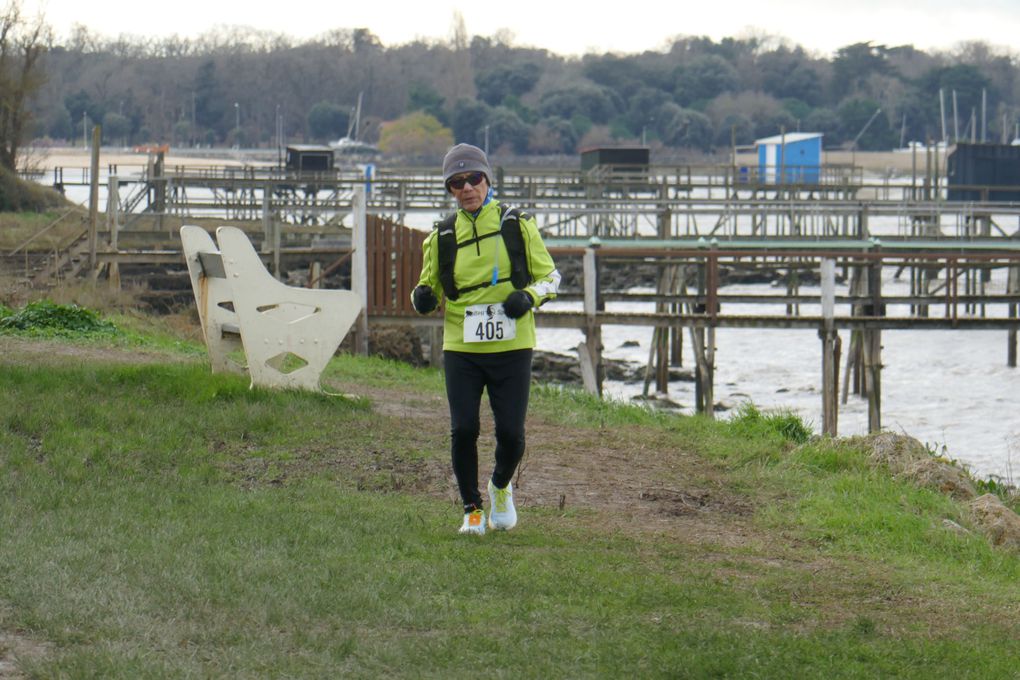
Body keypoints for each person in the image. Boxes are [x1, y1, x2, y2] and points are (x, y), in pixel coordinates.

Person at [411, 143, 561, 535]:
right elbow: (428, 290)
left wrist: (526, 297)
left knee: (511, 434)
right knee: (463, 429)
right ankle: (472, 510)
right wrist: (422, 299)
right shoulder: (440, 236)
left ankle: (499, 486)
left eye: (474, 178)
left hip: (512, 346)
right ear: (450, 189)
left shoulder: (517, 224)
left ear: (488, 180)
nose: (467, 188)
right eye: (456, 182)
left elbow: (552, 278)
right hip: (462, 346)